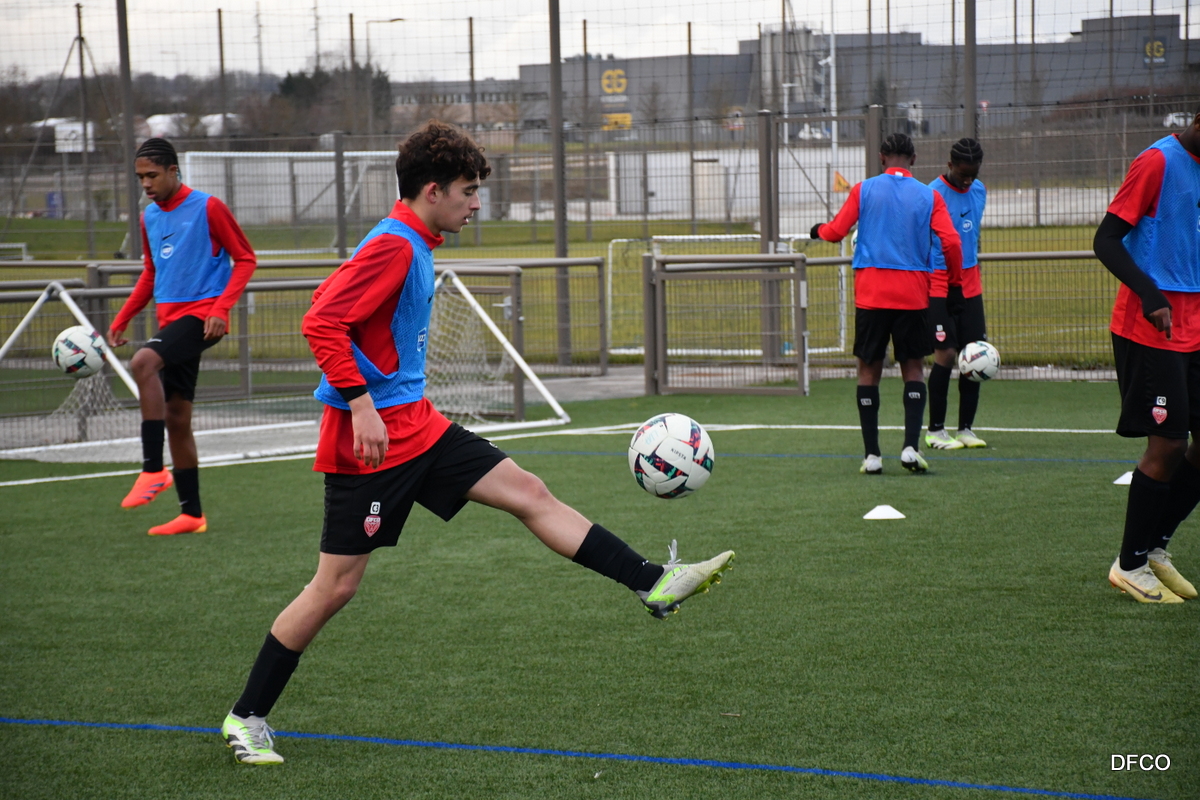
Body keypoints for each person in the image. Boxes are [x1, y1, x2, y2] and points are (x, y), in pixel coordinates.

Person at [219, 121, 735, 765]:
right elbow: (322, 319)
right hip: (370, 444)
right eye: (467, 190)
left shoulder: (413, 240)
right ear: (432, 191)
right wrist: (360, 405)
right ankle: (246, 717)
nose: (476, 202)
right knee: (335, 587)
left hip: (419, 426)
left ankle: (652, 582)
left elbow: (335, 301)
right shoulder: (394, 246)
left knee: (528, 492)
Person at [106, 137, 257, 535]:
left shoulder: (208, 207)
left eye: (152, 175)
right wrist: (123, 317)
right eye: (140, 177)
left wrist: (221, 309)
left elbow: (246, 259)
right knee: (177, 417)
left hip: (202, 318)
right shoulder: (149, 218)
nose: (146, 184)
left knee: (143, 362)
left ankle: (153, 469)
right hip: (171, 324)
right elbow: (151, 273)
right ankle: (192, 515)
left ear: (174, 171)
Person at [1094, 107, 1200, 604]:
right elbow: (1106, 240)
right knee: (1168, 445)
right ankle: (1130, 563)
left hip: (1196, 324)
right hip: (1150, 325)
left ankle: (1155, 546)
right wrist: (1149, 292)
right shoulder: (1157, 162)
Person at [810, 132, 963, 475]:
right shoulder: (929, 195)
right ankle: (909, 448)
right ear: (914, 160)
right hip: (913, 295)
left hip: (871, 296)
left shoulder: (863, 190)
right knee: (913, 369)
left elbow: (836, 232)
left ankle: (872, 456)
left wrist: (818, 230)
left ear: (881, 158)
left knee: (868, 371)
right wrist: (954, 284)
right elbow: (952, 242)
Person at [925, 138, 989, 451]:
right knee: (947, 353)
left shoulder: (980, 190)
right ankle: (935, 431)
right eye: (963, 174)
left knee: (974, 354)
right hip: (938, 283)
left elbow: (971, 236)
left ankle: (965, 429)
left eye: (973, 174)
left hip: (970, 283)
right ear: (950, 165)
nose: (968, 180)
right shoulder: (931, 194)